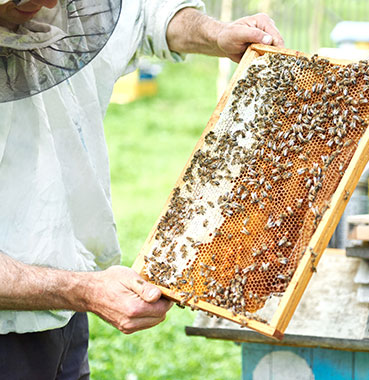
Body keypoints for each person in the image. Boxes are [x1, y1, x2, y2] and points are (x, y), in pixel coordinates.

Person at [0, 0, 284, 377]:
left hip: (64, 313)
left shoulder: (75, 9)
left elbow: (147, 18)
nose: (47, 3)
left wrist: (218, 34)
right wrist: (83, 290)